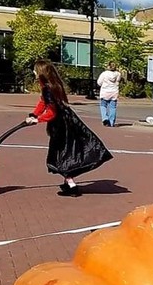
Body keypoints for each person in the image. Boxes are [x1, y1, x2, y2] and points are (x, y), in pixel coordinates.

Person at [26, 59, 113, 197]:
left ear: (41, 72)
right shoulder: (52, 86)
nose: (34, 72)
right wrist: (34, 114)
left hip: (62, 125)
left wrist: (37, 120)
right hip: (67, 121)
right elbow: (43, 103)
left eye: (35, 70)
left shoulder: (48, 89)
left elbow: (52, 112)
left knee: (61, 154)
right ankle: (69, 183)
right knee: (66, 152)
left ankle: (71, 185)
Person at [97, 61, 122, 127]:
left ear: (108, 66)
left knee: (103, 106)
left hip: (105, 92)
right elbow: (118, 81)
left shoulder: (104, 74)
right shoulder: (118, 74)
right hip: (114, 92)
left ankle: (105, 118)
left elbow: (99, 82)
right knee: (113, 107)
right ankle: (111, 122)